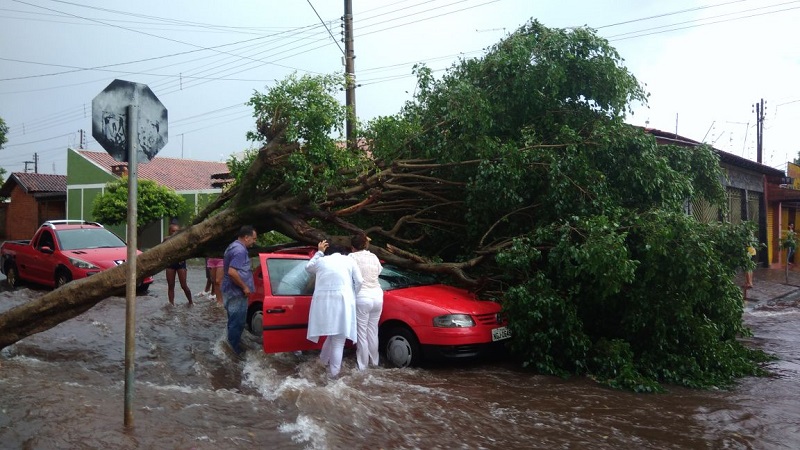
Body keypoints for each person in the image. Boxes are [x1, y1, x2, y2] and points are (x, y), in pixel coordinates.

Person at [305, 239, 362, 378]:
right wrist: (353, 294)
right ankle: (334, 376)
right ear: (342, 252)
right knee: (338, 341)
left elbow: (308, 267)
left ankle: (322, 363)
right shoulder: (349, 260)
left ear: (327, 252)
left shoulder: (321, 261)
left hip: (323, 303)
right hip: (343, 300)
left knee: (331, 335)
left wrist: (319, 252)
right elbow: (359, 281)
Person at [349, 233, 384, 370]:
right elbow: (378, 272)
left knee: (361, 333)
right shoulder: (374, 257)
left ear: (352, 247)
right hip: (377, 296)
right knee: (373, 331)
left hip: (362, 297)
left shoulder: (351, 257)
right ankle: (374, 362)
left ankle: (363, 366)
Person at [221, 225, 257, 355]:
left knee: (232, 321)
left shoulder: (232, 246)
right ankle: (233, 352)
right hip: (236, 293)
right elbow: (232, 272)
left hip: (229, 290)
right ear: (246, 237)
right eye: (253, 238)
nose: (254, 242)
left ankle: (229, 347)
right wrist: (245, 287)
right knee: (237, 323)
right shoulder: (240, 251)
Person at [163, 221, 192, 306]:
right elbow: (161, 250)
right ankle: (171, 304)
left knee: (184, 285)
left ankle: (191, 302)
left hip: (180, 263)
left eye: (177, 231)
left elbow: (187, 251)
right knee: (171, 285)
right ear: (169, 231)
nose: (175, 233)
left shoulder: (182, 240)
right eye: (173, 231)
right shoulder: (166, 239)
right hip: (170, 264)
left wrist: (183, 257)